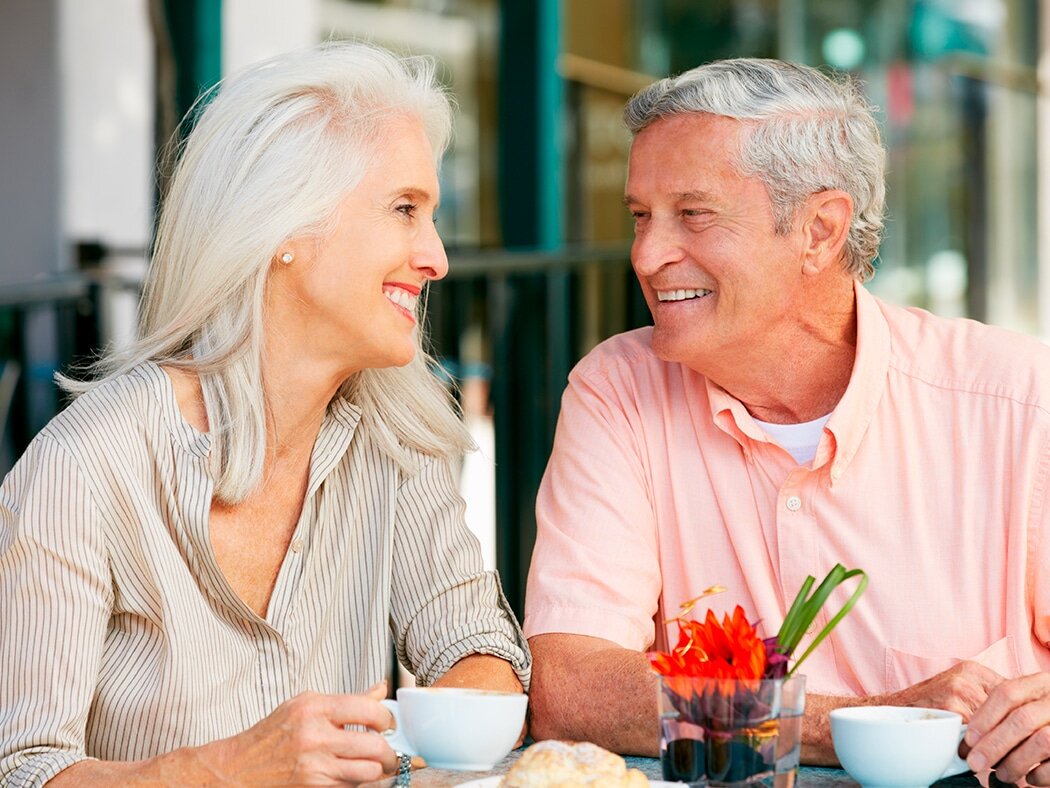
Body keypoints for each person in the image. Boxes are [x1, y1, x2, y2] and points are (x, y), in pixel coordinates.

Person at [0, 42, 530, 787]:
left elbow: (479, 650)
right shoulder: (86, 466)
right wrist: (228, 771)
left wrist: (403, 747)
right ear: (286, 228)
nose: (436, 257)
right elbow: (24, 769)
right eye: (405, 209)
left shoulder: (391, 435)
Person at [523, 57, 1050, 785]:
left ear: (819, 230)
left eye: (693, 214)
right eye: (641, 216)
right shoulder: (617, 390)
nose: (646, 255)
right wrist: (860, 721)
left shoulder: (1022, 403)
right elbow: (570, 688)